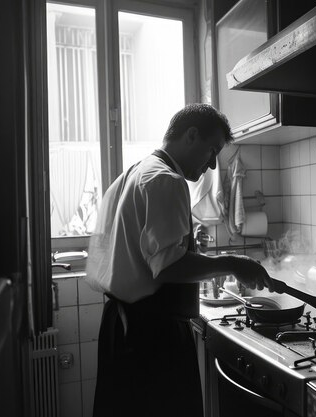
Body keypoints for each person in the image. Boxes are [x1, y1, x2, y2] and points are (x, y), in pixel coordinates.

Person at [85, 103, 272, 417]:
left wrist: (188, 249)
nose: (212, 165)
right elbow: (167, 267)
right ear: (191, 135)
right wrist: (234, 263)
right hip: (150, 336)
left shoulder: (136, 172)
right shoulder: (166, 180)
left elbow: (144, 255)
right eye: (211, 151)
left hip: (123, 327)